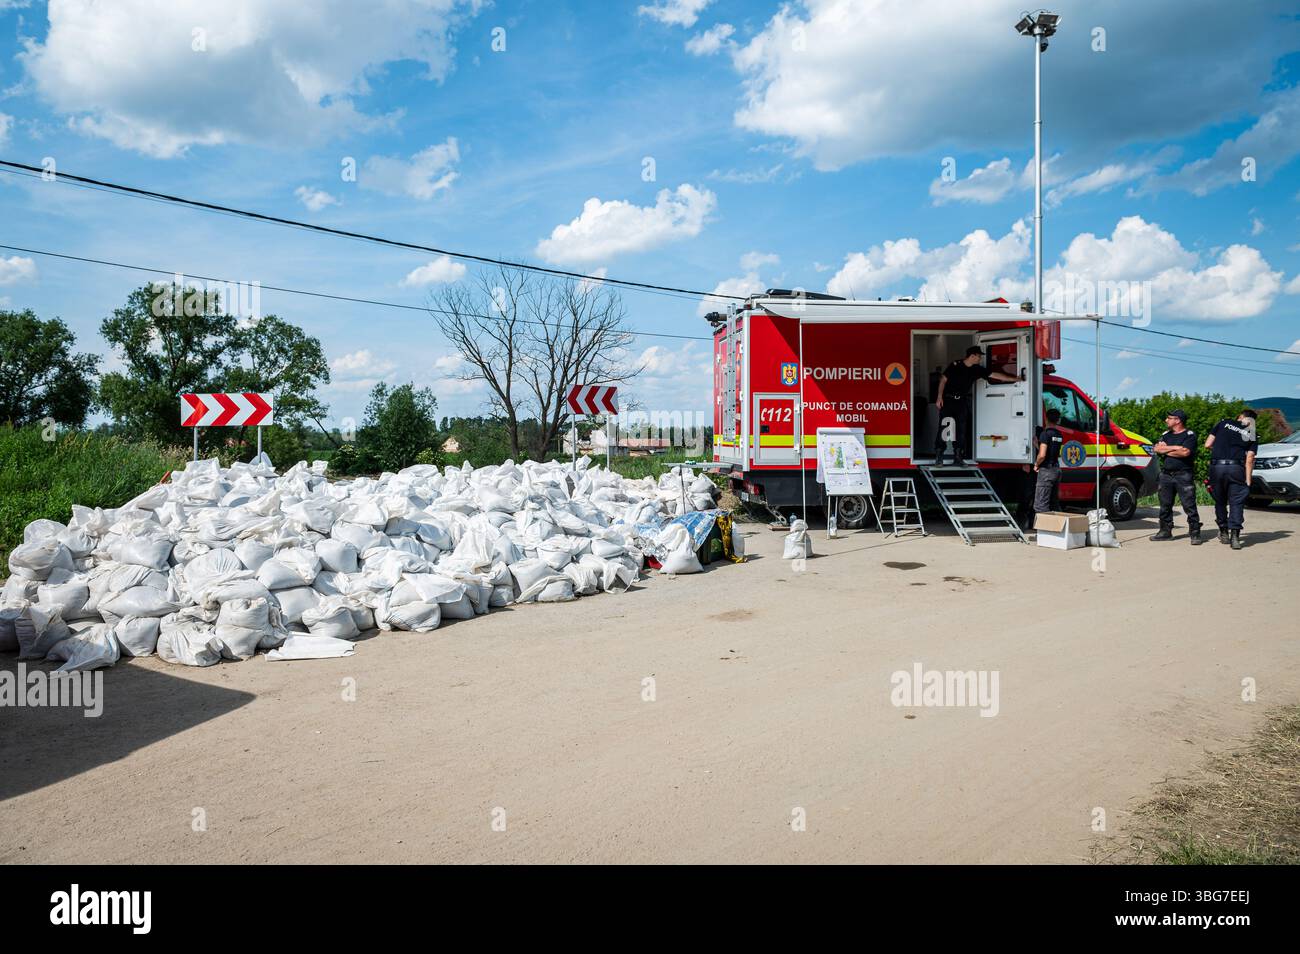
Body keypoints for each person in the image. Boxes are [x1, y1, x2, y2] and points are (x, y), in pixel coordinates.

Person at [933, 345, 1022, 465]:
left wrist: (1014, 379)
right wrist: (939, 397)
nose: (980, 358)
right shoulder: (955, 365)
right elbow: (943, 379)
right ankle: (939, 456)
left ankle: (958, 456)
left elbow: (995, 375)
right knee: (945, 427)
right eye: (979, 356)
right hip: (948, 400)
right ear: (972, 356)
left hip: (961, 402)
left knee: (961, 430)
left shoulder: (977, 369)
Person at [1204, 408, 1258, 550]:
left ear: (1240, 417)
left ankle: (1223, 532)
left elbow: (1207, 444)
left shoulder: (1223, 423)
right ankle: (1235, 537)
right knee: (1237, 503)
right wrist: (1248, 481)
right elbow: (1250, 459)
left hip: (1217, 467)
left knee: (1220, 501)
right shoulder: (1251, 434)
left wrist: (1220, 450)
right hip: (1236, 469)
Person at [1150, 409, 1202, 544]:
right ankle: (1165, 531)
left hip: (1183, 475)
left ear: (1177, 420)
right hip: (1166, 475)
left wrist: (1167, 450)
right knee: (1165, 505)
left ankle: (1195, 533)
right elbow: (1157, 449)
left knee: (1189, 505)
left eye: (1169, 418)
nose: (1166, 420)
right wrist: (1175, 448)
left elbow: (1185, 452)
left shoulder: (1190, 435)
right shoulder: (1165, 434)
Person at [1033, 408, 1064, 515]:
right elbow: (1052, 449)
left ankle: (1043, 531)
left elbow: (1042, 455)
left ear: (1046, 419)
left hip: (1046, 471)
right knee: (1054, 504)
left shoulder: (1045, 434)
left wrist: (1036, 464)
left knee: (1040, 505)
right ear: (1057, 420)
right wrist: (1037, 444)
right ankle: (1059, 529)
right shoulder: (1059, 434)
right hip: (1056, 470)